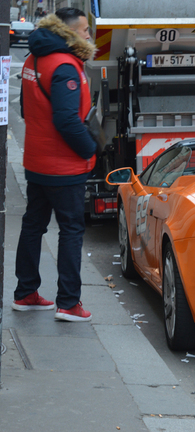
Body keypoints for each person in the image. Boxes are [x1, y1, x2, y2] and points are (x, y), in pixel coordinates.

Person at [11, 8, 97, 322]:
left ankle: (25, 293)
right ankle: (69, 303)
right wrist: (90, 149)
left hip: (36, 161)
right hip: (64, 166)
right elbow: (66, 120)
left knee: (33, 226)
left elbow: (24, 107)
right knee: (71, 231)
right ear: (69, 32)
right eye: (85, 30)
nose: (89, 35)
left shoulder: (34, 59)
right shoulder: (65, 66)